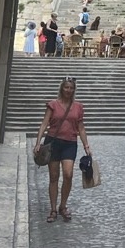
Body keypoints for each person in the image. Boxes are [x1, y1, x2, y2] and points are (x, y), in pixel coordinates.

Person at [34, 77, 91, 223]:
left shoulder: (78, 107)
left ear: (74, 90)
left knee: (68, 174)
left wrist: (86, 146)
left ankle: (63, 205)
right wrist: (38, 142)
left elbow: (81, 128)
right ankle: (53, 209)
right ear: (62, 88)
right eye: (66, 87)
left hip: (70, 143)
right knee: (54, 176)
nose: (69, 90)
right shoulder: (53, 105)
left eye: (71, 88)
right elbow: (44, 123)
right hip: (53, 143)